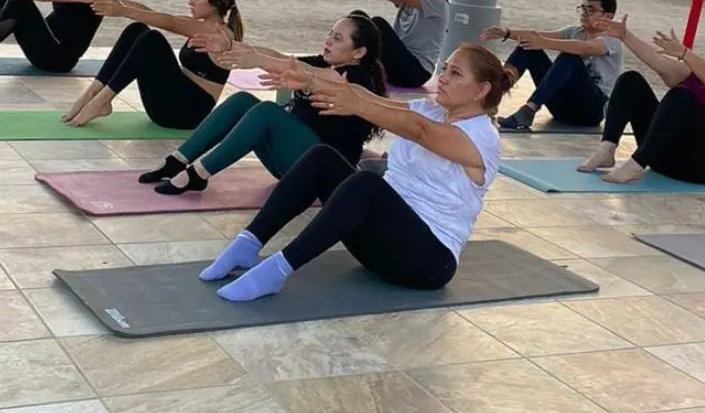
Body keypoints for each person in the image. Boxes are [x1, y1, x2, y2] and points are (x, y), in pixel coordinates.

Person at [195, 43, 512, 303]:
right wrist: (309, 81)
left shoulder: (482, 136)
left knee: (367, 183)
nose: (442, 77)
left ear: (481, 89)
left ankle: (276, 272)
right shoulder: (431, 109)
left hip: (426, 261)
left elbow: (421, 132)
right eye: (444, 69)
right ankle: (247, 244)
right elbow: (367, 98)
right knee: (321, 158)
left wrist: (357, 105)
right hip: (381, 241)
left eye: (454, 73)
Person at [136, 14, 387, 195]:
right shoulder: (328, 63)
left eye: (338, 38)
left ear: (358, 52)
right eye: (330, 33)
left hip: (324, 173)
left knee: (267, 113)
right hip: (295, 160)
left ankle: (198, 174)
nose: (329, 40)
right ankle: (177, 160)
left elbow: (305, 72)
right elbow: (281, 58)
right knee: (242, 101)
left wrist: (257, 60)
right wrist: (233, 46)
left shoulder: (358, 78)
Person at [579, 20, 705, 184]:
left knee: (682, 96)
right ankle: (607, 148)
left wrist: (685, 53)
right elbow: (657, 60)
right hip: (664, 157)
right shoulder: (694, 73)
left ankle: (637, 164)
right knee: (630, 80)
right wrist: (625, 35)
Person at [59, 0, 244, 129]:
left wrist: (122, 11)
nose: (190, 1)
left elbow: (171, 22)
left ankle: (102, 101)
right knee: (138, 30)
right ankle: (92, 94)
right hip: (173, 103)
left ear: (215, 4)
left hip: (187, 113)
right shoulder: (201, 25)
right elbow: (152, 13)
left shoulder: (219, 32)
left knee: (152, 40)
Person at [480, 0, 621, 131]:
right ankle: (490, 101)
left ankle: (529, 109)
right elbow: (536, 35)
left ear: (607, 16)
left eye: (590, 10)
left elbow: (587, 48)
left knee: (570, 55)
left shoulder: (611, 40)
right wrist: (507, 33)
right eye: (582, 8)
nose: (584, 14)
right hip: (561, 108)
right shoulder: (574, 32)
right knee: (527, 46)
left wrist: (545, 42)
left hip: (590, 112)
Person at [318, 0, 450, 89]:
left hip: (415, 73)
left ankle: (348, 67)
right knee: (358, 18)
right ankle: (338, 61)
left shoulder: (437, 3)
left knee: (377, 23)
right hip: (396, 65)